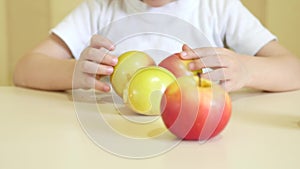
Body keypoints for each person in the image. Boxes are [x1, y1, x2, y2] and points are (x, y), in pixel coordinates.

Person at [13, 0, 300, 92]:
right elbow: (25, 69)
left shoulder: (218, 5)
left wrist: (246, 70)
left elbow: (293, 70)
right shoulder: (100, 7)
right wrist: (76, 71)